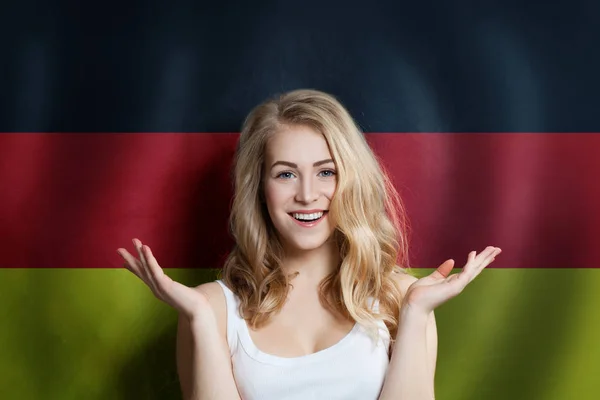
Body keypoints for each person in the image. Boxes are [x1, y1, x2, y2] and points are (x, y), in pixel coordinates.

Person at [117, 89, 501, 400]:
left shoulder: (402, 297)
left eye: (326, 172)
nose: (306, 194)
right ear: (260, 188)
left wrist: (415, 314)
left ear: (351, 181)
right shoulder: (210, 308)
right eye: (285, 173)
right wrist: (199, 320)